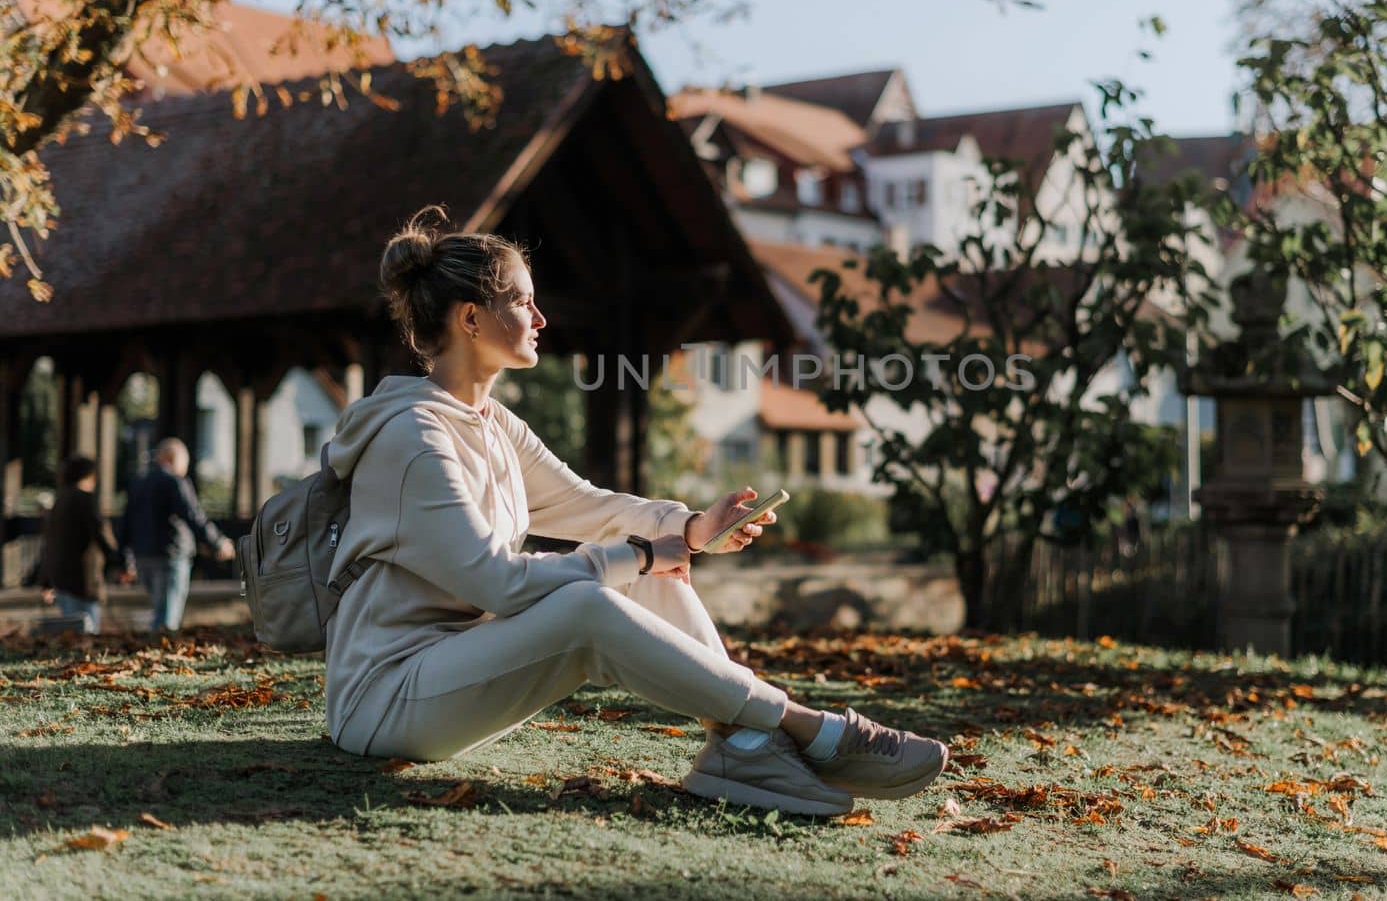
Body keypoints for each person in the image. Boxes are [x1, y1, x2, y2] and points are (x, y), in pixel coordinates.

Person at [322, 205, 946, 816]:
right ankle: (805, 727)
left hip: (455, 671)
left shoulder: (491, 425)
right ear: (471, 319)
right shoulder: (414, 439)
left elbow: (586, 506)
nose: (540, 317)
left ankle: (741, 743)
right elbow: (499, 583)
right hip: (386, 698)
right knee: (593, 596)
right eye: (521, 301)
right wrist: (636, 554)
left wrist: (689, 530)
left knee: (633, 572)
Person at [123, 438, 235, 632]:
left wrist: (125, 559)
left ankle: (154, 648)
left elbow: (125, 524)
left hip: (144, 557)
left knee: (159, 609)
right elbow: (193, 516)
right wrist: (218, 542)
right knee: (167, 617)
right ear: (173, 459)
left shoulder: (138, 483)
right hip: (171, 555)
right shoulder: (174, 482)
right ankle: (159, 653)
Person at [38, 454, 131, 633]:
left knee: (70, 628)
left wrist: (45, 579)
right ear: (90, 476)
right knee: (86, 630)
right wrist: (120, 562)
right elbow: (102, 534)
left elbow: (48, 544)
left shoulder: (59, 501)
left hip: (60, 577)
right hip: (83, 579)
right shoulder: (85, 500)